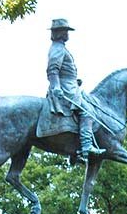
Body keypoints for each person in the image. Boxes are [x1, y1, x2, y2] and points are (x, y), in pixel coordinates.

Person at [45, 18, 106, 161]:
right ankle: (86, 146)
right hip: (66, 88)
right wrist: (56, 87)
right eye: (66, 31)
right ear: (60, 33)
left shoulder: (60, 47)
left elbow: (63, 71)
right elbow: (52, 70)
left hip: (71, 85)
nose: (67, 34)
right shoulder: (58, 49)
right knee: (87, 112)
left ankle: (75, 151)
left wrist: (74, 80)